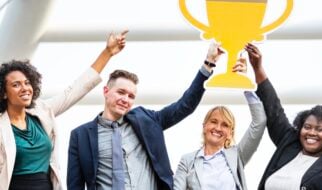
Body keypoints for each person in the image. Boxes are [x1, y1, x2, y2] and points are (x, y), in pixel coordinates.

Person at [66, 43, 224, 190]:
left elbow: (184, 106)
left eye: (131, 96)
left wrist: (208, 63)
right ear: (106, 92)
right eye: (121, 92)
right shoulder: (80, 136)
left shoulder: (147, 120)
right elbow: (75, 186)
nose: (125, 100)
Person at [0, 30, 128, 190]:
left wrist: (107, 53)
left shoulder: (43, 111)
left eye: (27, 82)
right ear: (4, 93)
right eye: (16, 85)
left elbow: (74, 90)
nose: (25, 88)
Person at [238, 43, 322, 190]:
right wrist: (257, 68)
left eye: (319, 129)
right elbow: (273, 108)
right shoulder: (288, 145)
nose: (311, 132)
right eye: (307, 127)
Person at [173, 88, 267, 190]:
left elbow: (259, 122)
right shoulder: (187, 161)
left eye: (225, 125)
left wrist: (246, 86)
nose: (218, 128)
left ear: (230, 133)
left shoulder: (237, 155)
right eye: (214, 121)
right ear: (204, 126)